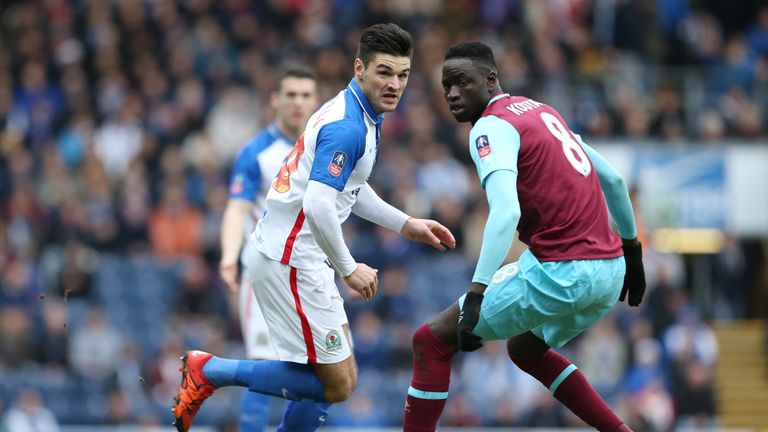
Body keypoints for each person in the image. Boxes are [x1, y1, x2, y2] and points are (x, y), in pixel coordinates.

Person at [172, 23, 456, 432]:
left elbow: (349, 190)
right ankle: (209, 370)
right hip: (292, 259)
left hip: (297, 255)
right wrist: (348, 267)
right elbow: (319, 203)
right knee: (337, 385)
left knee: (339, 377)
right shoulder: (348, 126)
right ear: (360, 68)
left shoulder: (358, 112)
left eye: (403, 75)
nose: (395, 84)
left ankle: (212, 372)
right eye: (384, 72)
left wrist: (405, 223)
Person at [402, 42, 646, 432]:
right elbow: (613, 179)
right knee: (527, 349)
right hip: (609, 272)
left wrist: (476, 295)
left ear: (491, 79)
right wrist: (633, 253)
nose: (451, 94)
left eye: (462, 82)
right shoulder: (542, 111)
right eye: (446, 85)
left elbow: (506, 212)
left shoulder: (490, 127)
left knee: (429, 342)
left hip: (561, 272)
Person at [218, 67, 328, 431]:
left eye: (305, 95)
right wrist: (229, 256)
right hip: (266, 271)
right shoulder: (257, 153)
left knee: (320, 369)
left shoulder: (324, 147)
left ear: (316, 102)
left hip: (310, 274)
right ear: (275, 100)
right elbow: (237, 209)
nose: (298, 102)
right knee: (265, 358)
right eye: (291, 94)